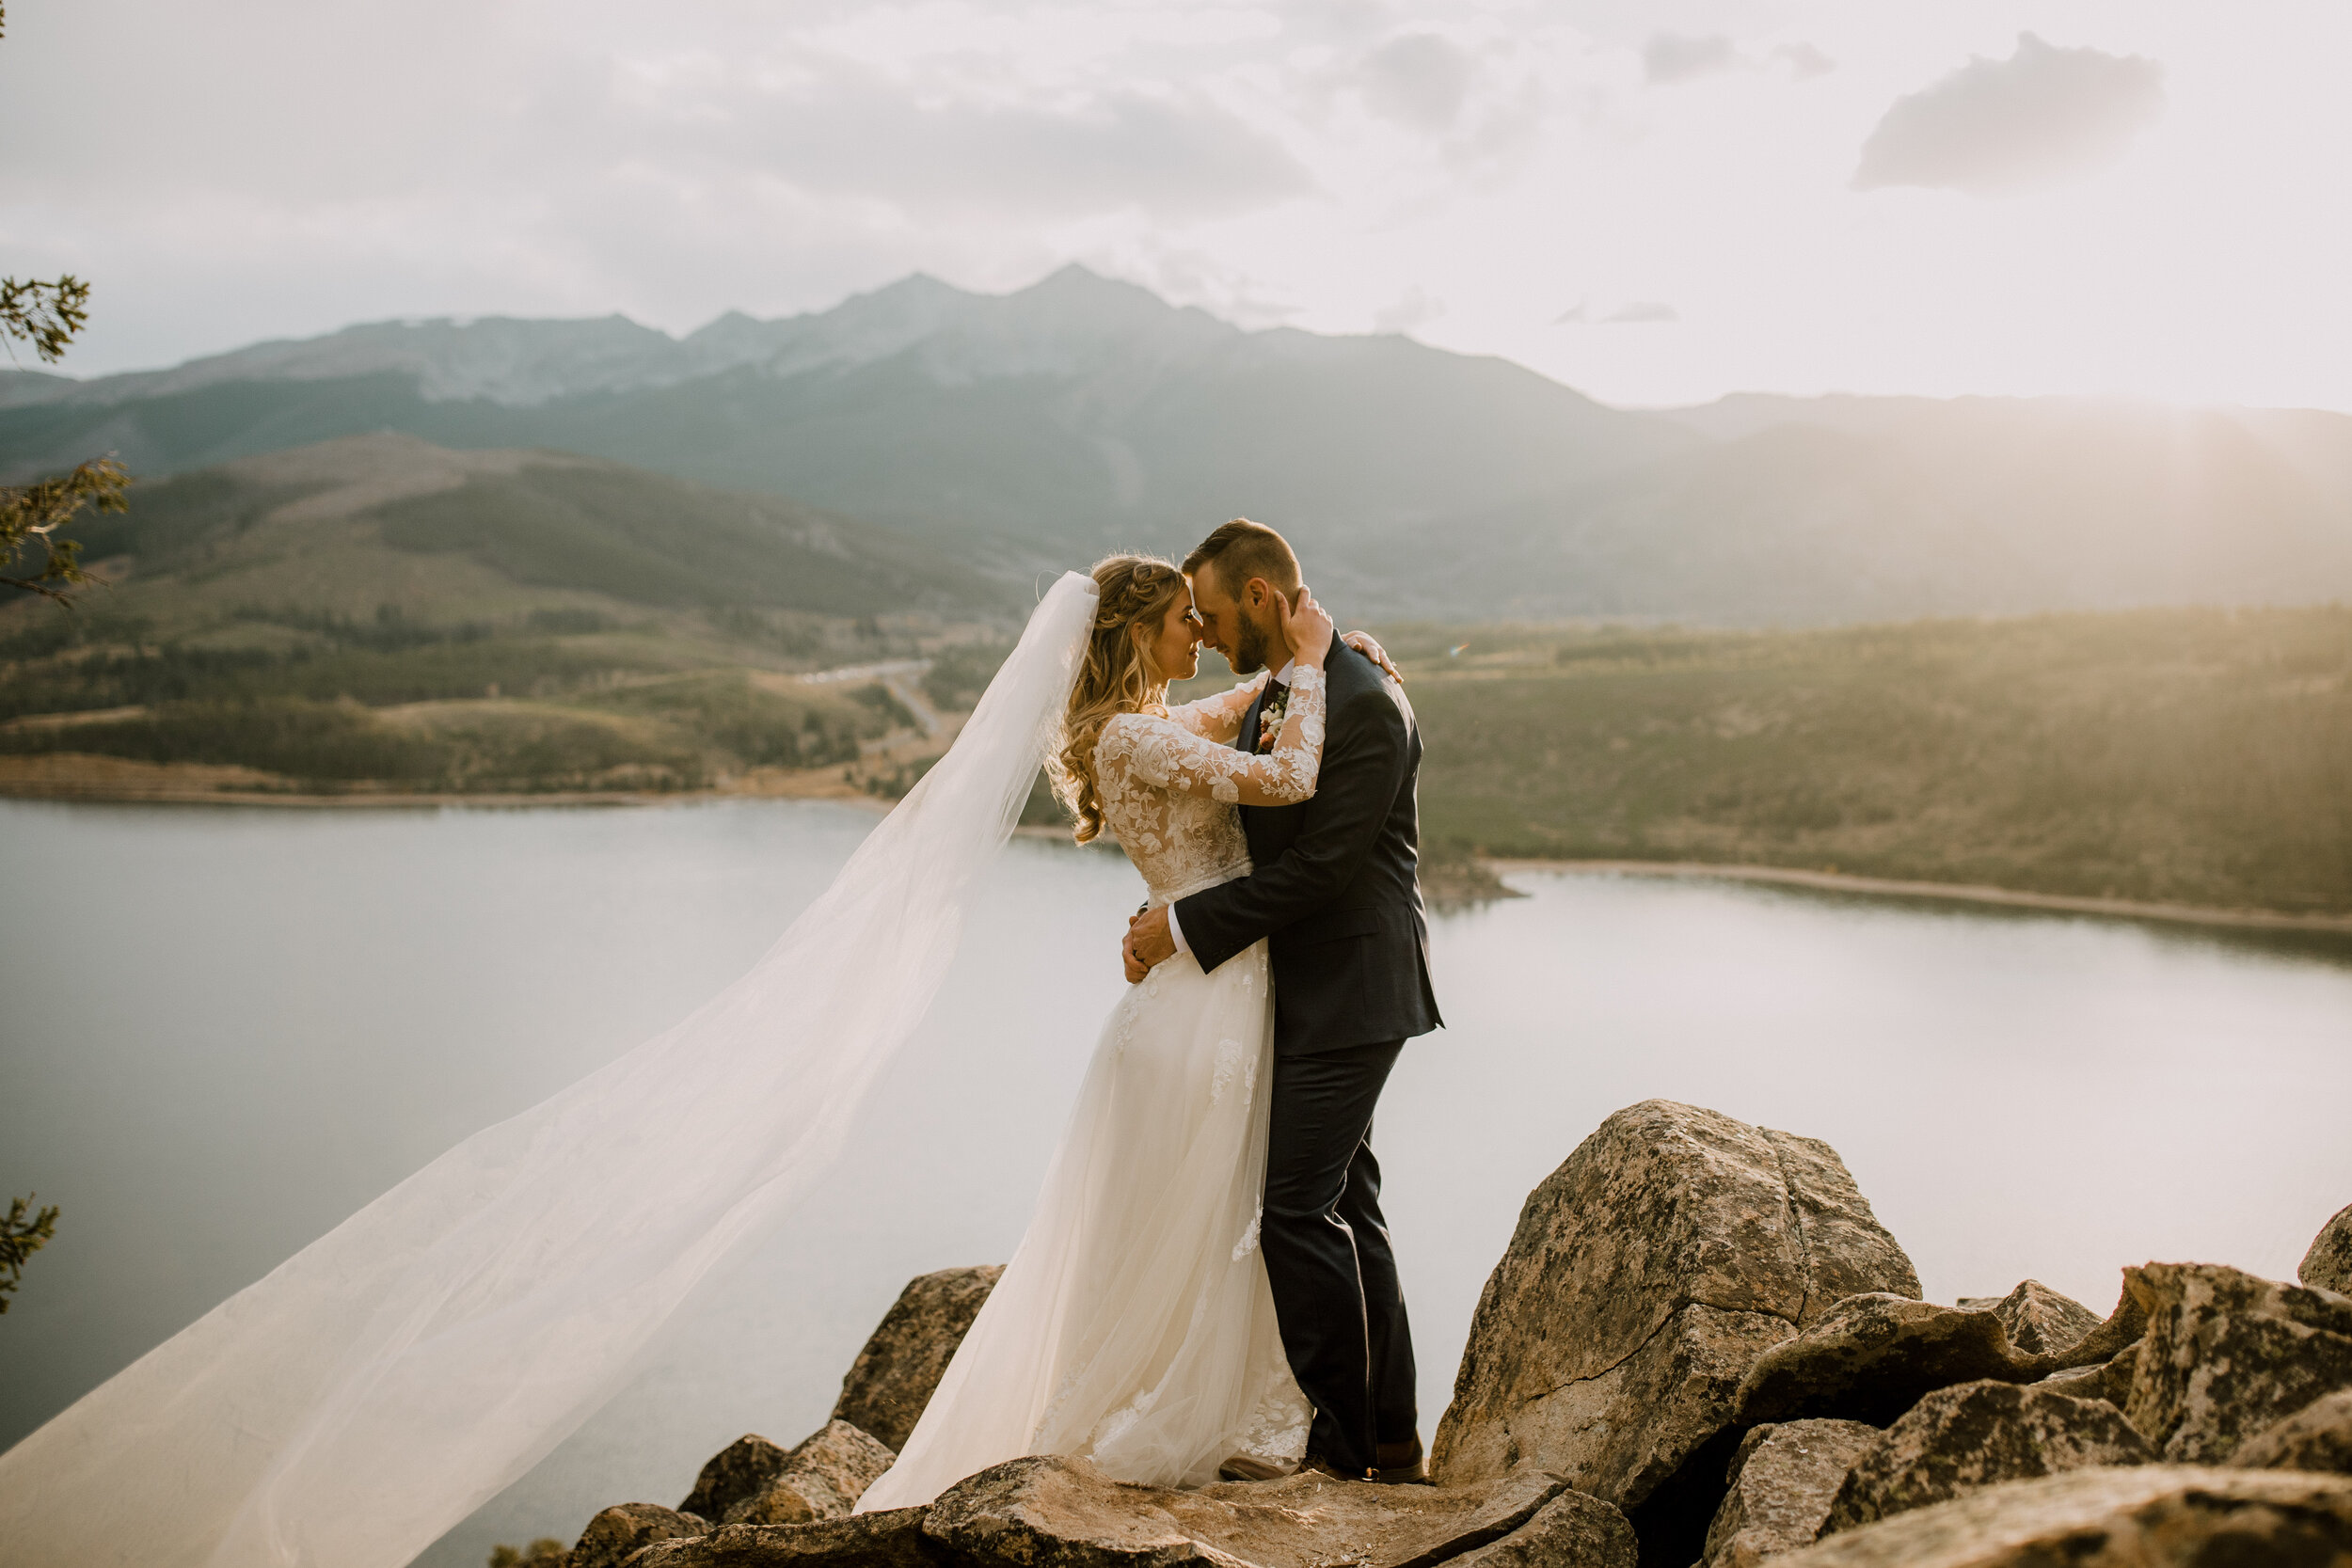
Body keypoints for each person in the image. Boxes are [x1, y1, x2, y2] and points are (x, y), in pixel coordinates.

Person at [1127, 518, 1440, 1485]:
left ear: (1261, 598)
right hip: (1309, 987)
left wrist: (1180, 930)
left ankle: (1339, 1451)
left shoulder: (1365, 703)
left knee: (1295, 1209)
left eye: (1214, 613)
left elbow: (1318, 869)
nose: (1208, 633)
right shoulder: (1293, 685)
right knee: (1349, 1202)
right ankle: (1389, 1437)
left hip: (1355, 987)